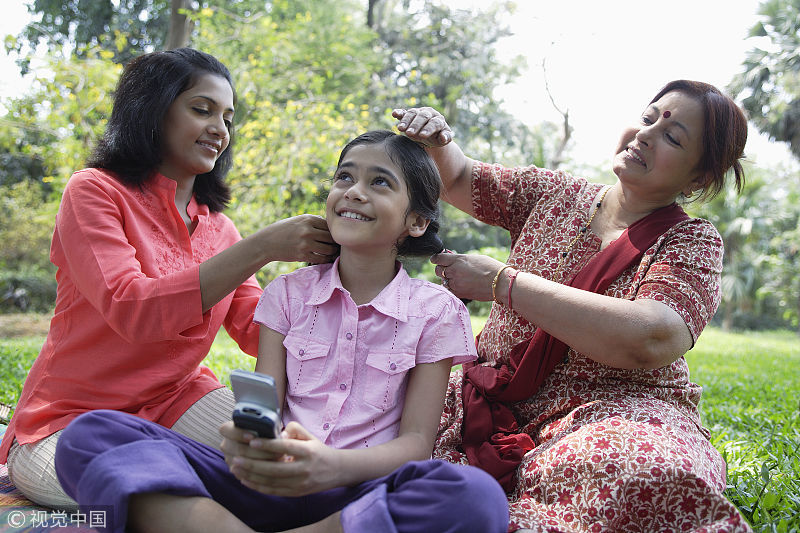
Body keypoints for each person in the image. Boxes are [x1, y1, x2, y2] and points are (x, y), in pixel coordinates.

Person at [53, 130, 510, 533]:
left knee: (475, 496)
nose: (353, 192)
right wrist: (249, 439)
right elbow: (263, 407)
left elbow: (414, 445)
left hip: (359, 492)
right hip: (267, 485)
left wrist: (330, 467)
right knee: (91, 435)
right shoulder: (288, 294)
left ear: (416, 221)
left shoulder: (435, 311)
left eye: (380, 183)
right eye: (345, 177)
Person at [392, 80, 752, 532]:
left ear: (699, 177)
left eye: (672, 136)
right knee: (374, 424)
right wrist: (437, 141)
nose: (645, 135)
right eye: (648, 118)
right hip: (484, 393)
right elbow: (461, 178)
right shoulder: (556, 194)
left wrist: (504, 283)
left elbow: (653, 336)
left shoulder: (690, 241)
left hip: (609, 410)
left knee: (650, 475)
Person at [0, 48, 339, 510]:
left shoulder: (221, 229)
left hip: (178, 398)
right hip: (69, 419)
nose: (220, 130)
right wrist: (261, 248)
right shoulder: (94, 192)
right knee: (144, 493)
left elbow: (260, 330)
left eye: (228, 117)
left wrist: (341, 286)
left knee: (282, 470)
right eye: (202, 110)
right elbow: (132, 308)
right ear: (153, 110)